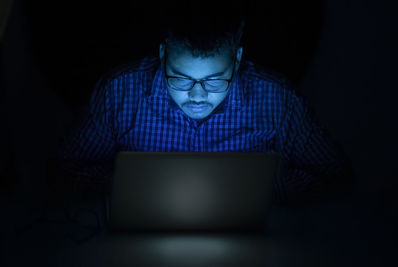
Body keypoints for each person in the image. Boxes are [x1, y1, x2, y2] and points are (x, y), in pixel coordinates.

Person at [53, 6, 354, 205]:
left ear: (236, 61)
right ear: (162, 55)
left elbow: (336, 174)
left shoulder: (277, 101)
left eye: (214, 81)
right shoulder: (119, 93)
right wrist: (127, 185)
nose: (197, 96)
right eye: (181, 80)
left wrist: (266, 189)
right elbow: (63, 171)